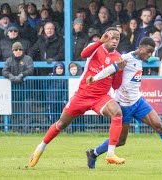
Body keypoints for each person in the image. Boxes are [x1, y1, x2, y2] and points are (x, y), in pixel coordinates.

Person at [29, 28, 126, 167]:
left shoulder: (118, 58)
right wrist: (99, 41)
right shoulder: (95, 48)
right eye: (112, 38)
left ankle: (110, 154)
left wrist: (120, 71)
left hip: (101, 97)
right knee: (62, 124)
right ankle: (40, 148)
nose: (115, 41)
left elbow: (116, 85)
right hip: (82, 95)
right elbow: (83, 53)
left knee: (117, 112)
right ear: (106, 37)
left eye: (118, 39)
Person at [85, 37, 162, 169]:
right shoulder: (126, 58)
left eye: (151, 53)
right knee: (120, 141)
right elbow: (109, 69)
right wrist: (94, 78)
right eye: (148, 51)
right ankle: (93, 153)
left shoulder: (140, 59)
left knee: (160, 126)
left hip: (138, 101)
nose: (149, 55)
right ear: (141, 47)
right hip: (123, 106)